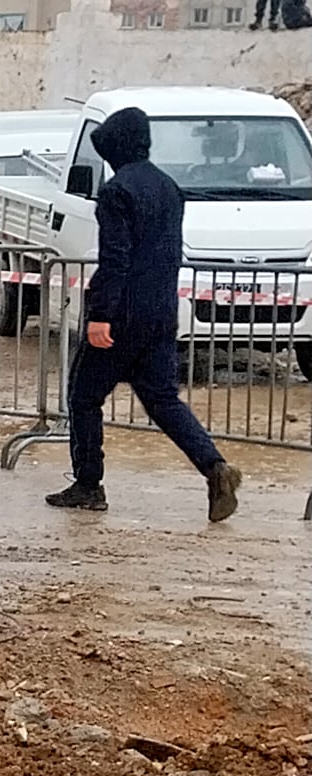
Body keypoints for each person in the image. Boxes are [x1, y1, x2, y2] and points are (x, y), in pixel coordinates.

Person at [46, 104, 240, 521]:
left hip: (121, 315)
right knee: (163, 399)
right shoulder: (169, 187)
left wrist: (100, 315)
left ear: (115, 148)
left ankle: (88, 484)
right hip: (162, 312)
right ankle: (215, 467)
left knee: (83, 397)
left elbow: (115, 259)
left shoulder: (117, 192)